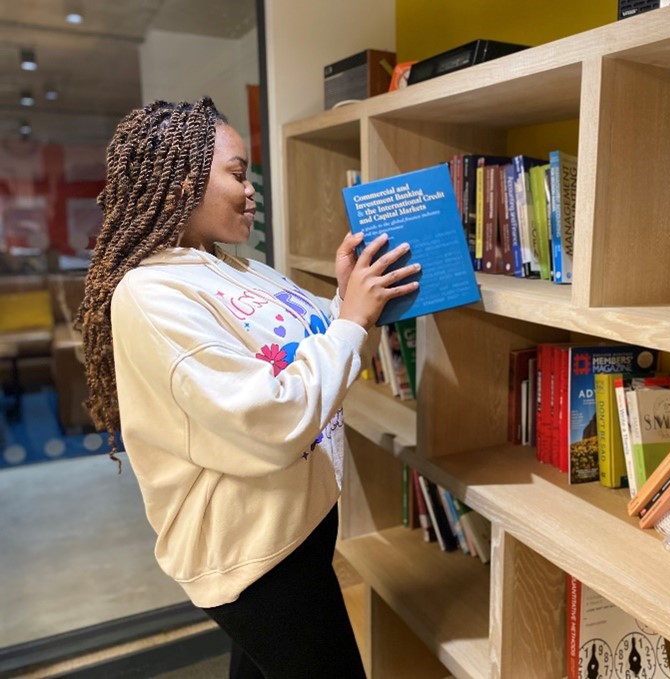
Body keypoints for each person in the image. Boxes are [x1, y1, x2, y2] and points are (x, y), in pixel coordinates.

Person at [75, 96, 420, 678]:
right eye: (237, 173)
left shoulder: (232, 266)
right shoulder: (150, 294)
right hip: (254, 555)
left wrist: (343, 298)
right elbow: (271, 419)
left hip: (296, 525)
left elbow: (319, 346)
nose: (251, 189)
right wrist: (353, 319)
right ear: (182, 179)